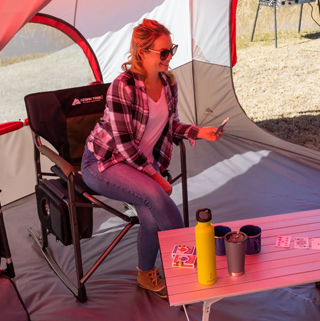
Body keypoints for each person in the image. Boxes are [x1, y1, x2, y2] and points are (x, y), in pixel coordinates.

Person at [81, 19, 221, 299]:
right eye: (164, 53)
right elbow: (124, 145)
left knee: (152, 217)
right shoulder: (123, 86)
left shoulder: (168, 82)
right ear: (142, 53)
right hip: (104, 163)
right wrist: (156, 177)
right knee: (156, 197)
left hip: (139, 162)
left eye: (172, 50)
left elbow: (171, 125)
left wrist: (199, 132)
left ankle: (146, 273)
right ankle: (188, 268)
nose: (170, 58)